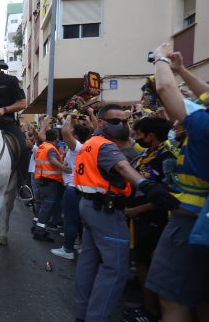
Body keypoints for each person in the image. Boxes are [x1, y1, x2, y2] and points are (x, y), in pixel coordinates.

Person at [73, 103, 179, 322]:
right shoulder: (106, 146)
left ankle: (83, 314)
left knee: (88, 263)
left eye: (124, 120)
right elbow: (122, 167)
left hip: (90, 205)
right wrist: (146, 185)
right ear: (100, 123)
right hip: (105, 210)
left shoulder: (89, 144)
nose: (121, 125)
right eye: (115, 121)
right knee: (115, 268)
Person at [144, 43, 209, 322]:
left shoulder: (203, 124)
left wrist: (159, 59)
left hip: (190, 222)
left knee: (173, 300)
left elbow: (165, 91)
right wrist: (181, 69)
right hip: (196, 221)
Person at [122, 116, 175, 322]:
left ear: (150, 135)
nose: (135, 138)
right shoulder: (143, 155)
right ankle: (148, 305)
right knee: (141, 262)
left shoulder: (167, 159)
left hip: (153, 221)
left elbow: (167, 196)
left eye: (138, 134)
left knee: (148, 264)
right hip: (137, 219)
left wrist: (138, 210)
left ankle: (152, 311)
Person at [0, 46, 31, 198]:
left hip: (7, 123)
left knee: (23, 147)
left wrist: (4, 109)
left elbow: (22, 103)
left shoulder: (11, 80)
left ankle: (23, 184)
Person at [51, 115, 90, 259]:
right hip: (80, 188)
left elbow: (65, 132)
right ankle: (79, 246)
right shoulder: (86, 147)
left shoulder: (77, 147)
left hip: (72, 188)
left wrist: (65, 117)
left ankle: (67, 250)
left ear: (76, 136)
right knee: (78, 221)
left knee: (70, 220)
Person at [31, 127, 67, 242]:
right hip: (49, 181)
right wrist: (64, 168)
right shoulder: (51, 148)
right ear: (56, 137)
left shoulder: (41, 147)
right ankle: (40, 232)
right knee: (47, 206)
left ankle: (37, 226)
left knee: (41, 204)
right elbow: (52, 160)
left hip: (40, 179)